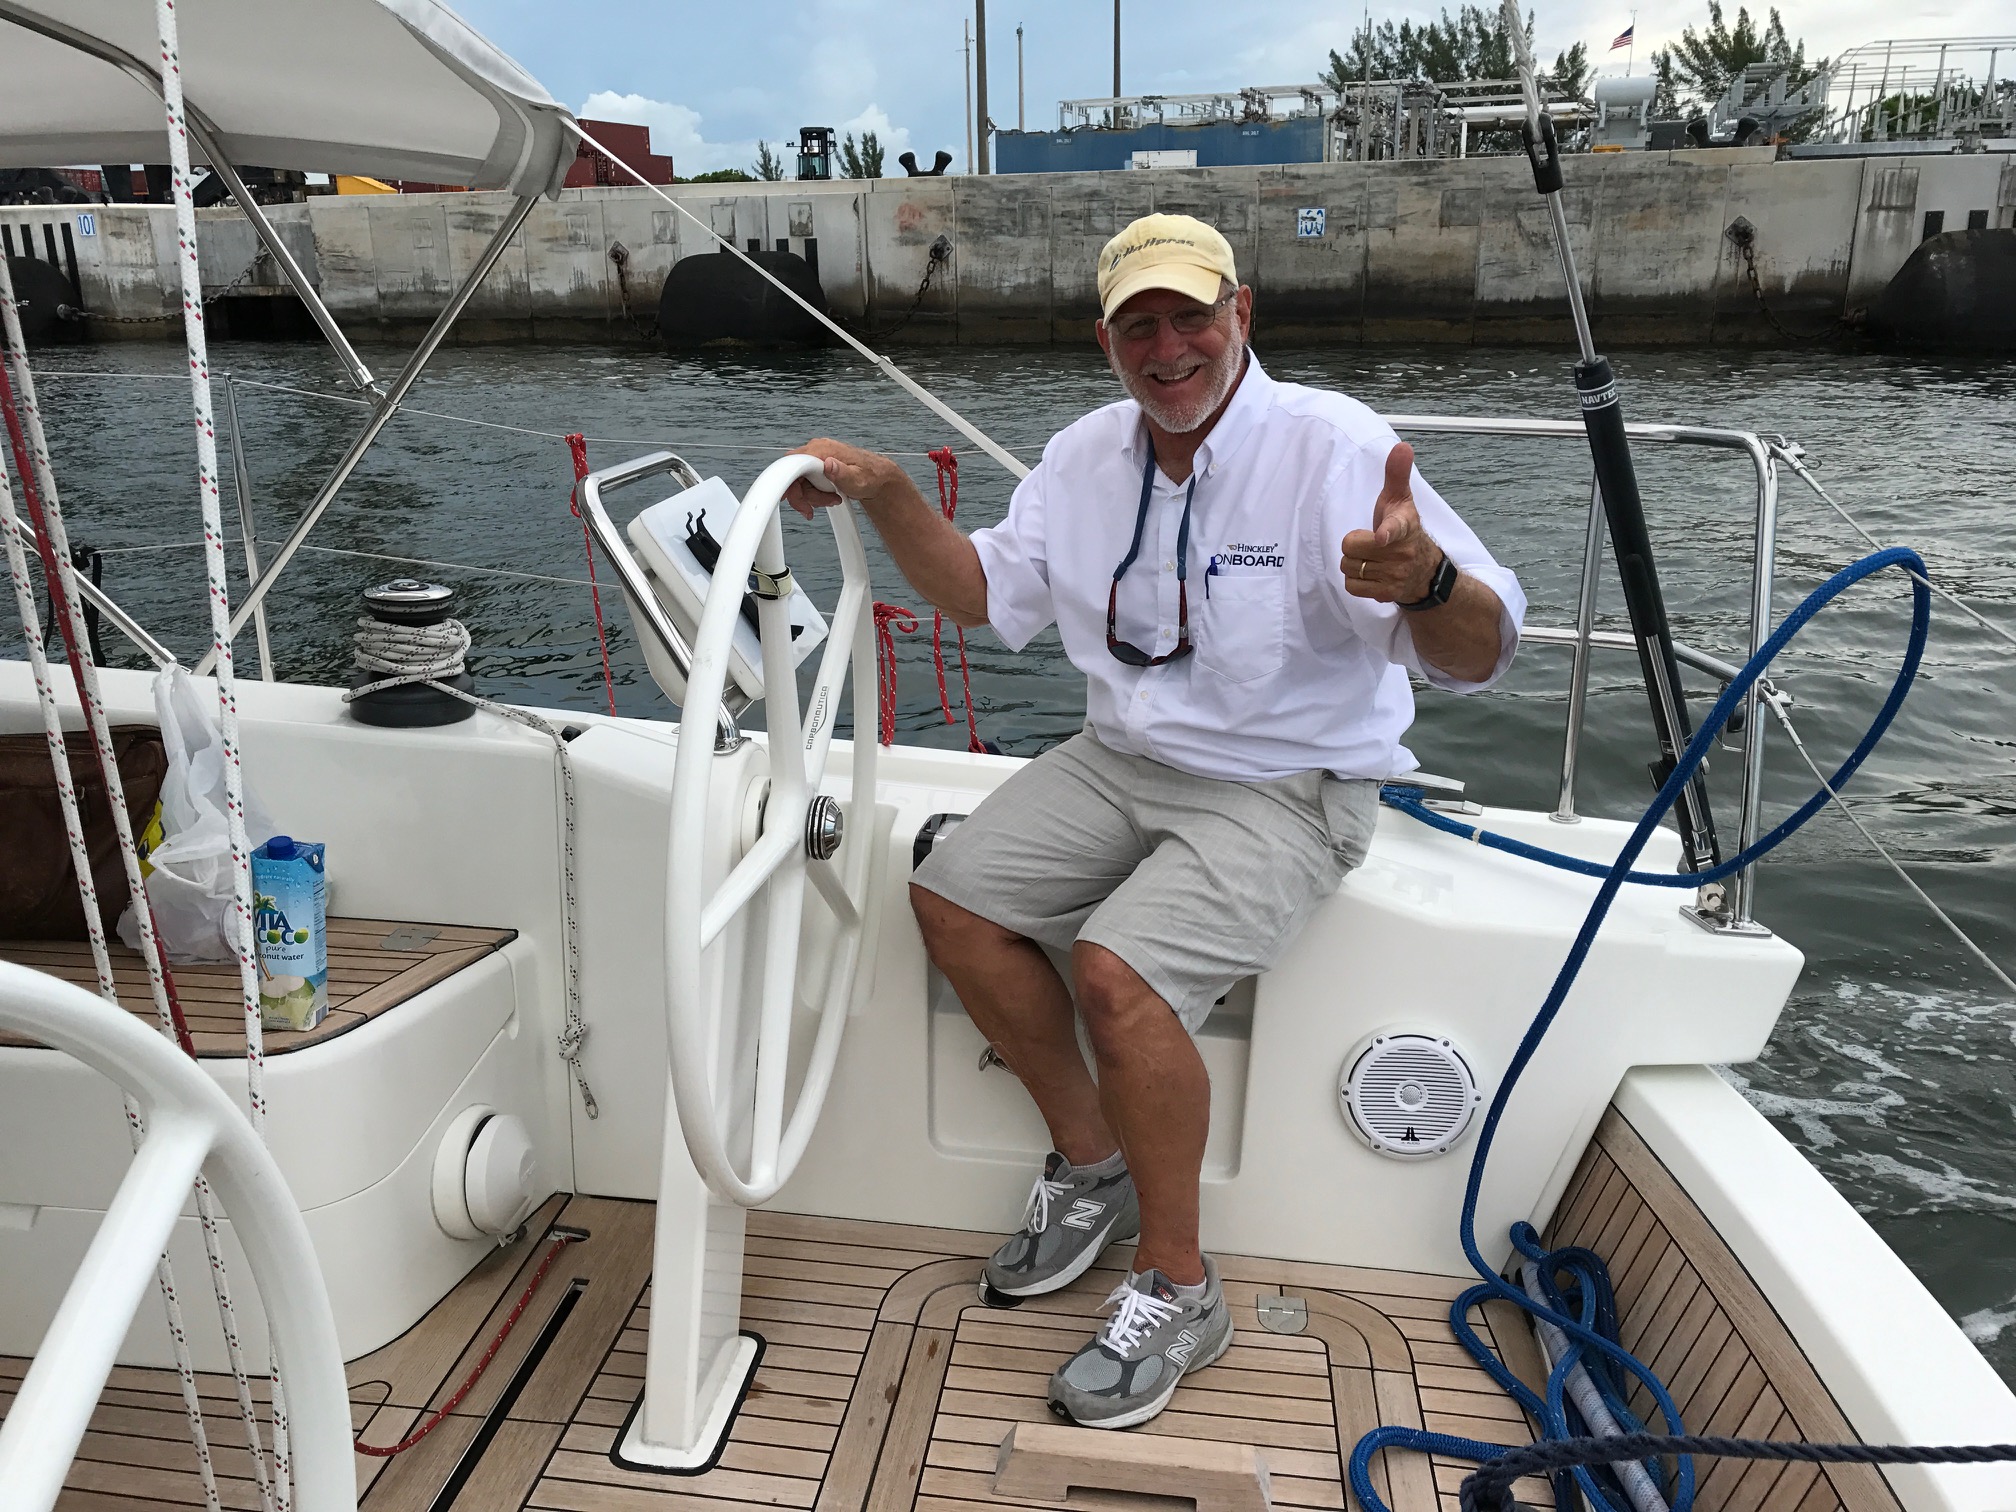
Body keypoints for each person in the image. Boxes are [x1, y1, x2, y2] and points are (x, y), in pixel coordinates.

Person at [783, 213, 1524, 1430]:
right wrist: (890, 493)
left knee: (1114, 974)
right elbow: (980, 592)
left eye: (1192, 316)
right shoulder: (1082, 456)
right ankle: (1095, 1164)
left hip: (1292, 783)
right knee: (950, 898)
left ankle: (1181, 1286)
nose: (1170, 348)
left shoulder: (1334, 447)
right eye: (1140, 326)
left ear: (1242, 314)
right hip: (1120, 758)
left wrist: (1430, 583)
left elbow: (1483, 654)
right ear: (1106, 341)